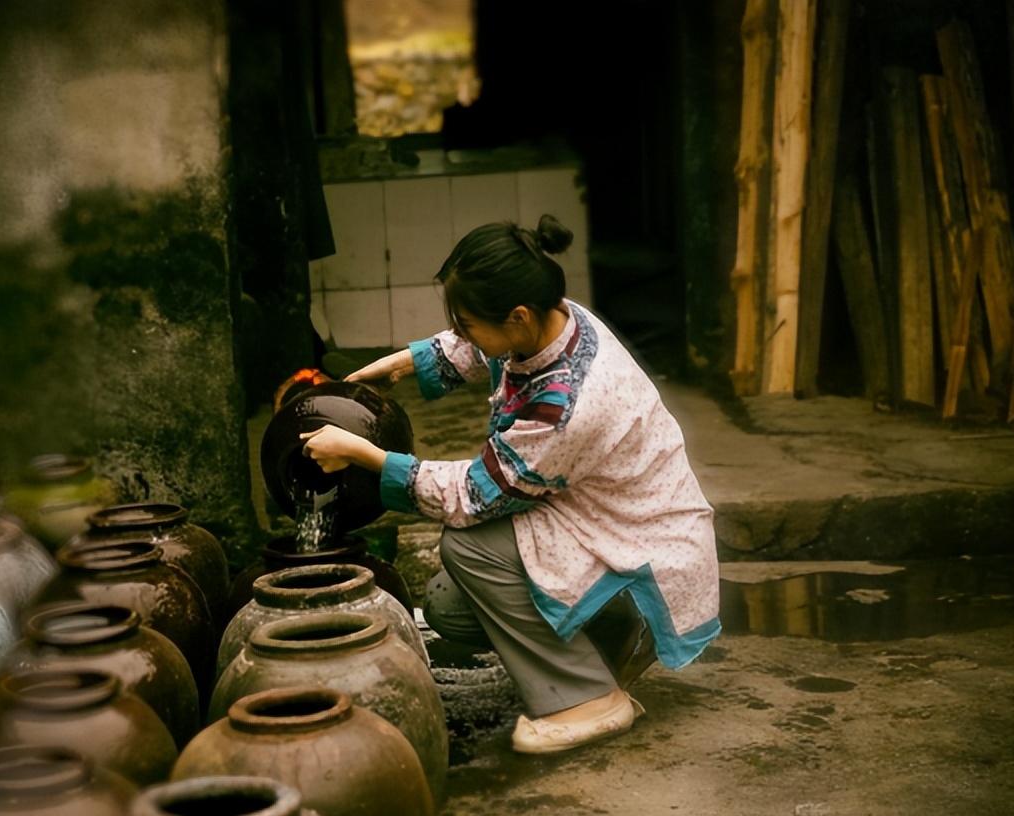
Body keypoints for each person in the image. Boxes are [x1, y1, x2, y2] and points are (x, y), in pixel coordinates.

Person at [300, 215, 720, 754]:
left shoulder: (564, 406)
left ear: (518, 316)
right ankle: (607, 643)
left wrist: (369, 456)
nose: (464, 334)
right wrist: (405, 363)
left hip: (645, 554)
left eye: (467, 322)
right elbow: (485, 346)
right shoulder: (557, 322)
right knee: (450, 605)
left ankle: (586, 698)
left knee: (468, 548)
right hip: (604, 523)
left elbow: (474, 495)